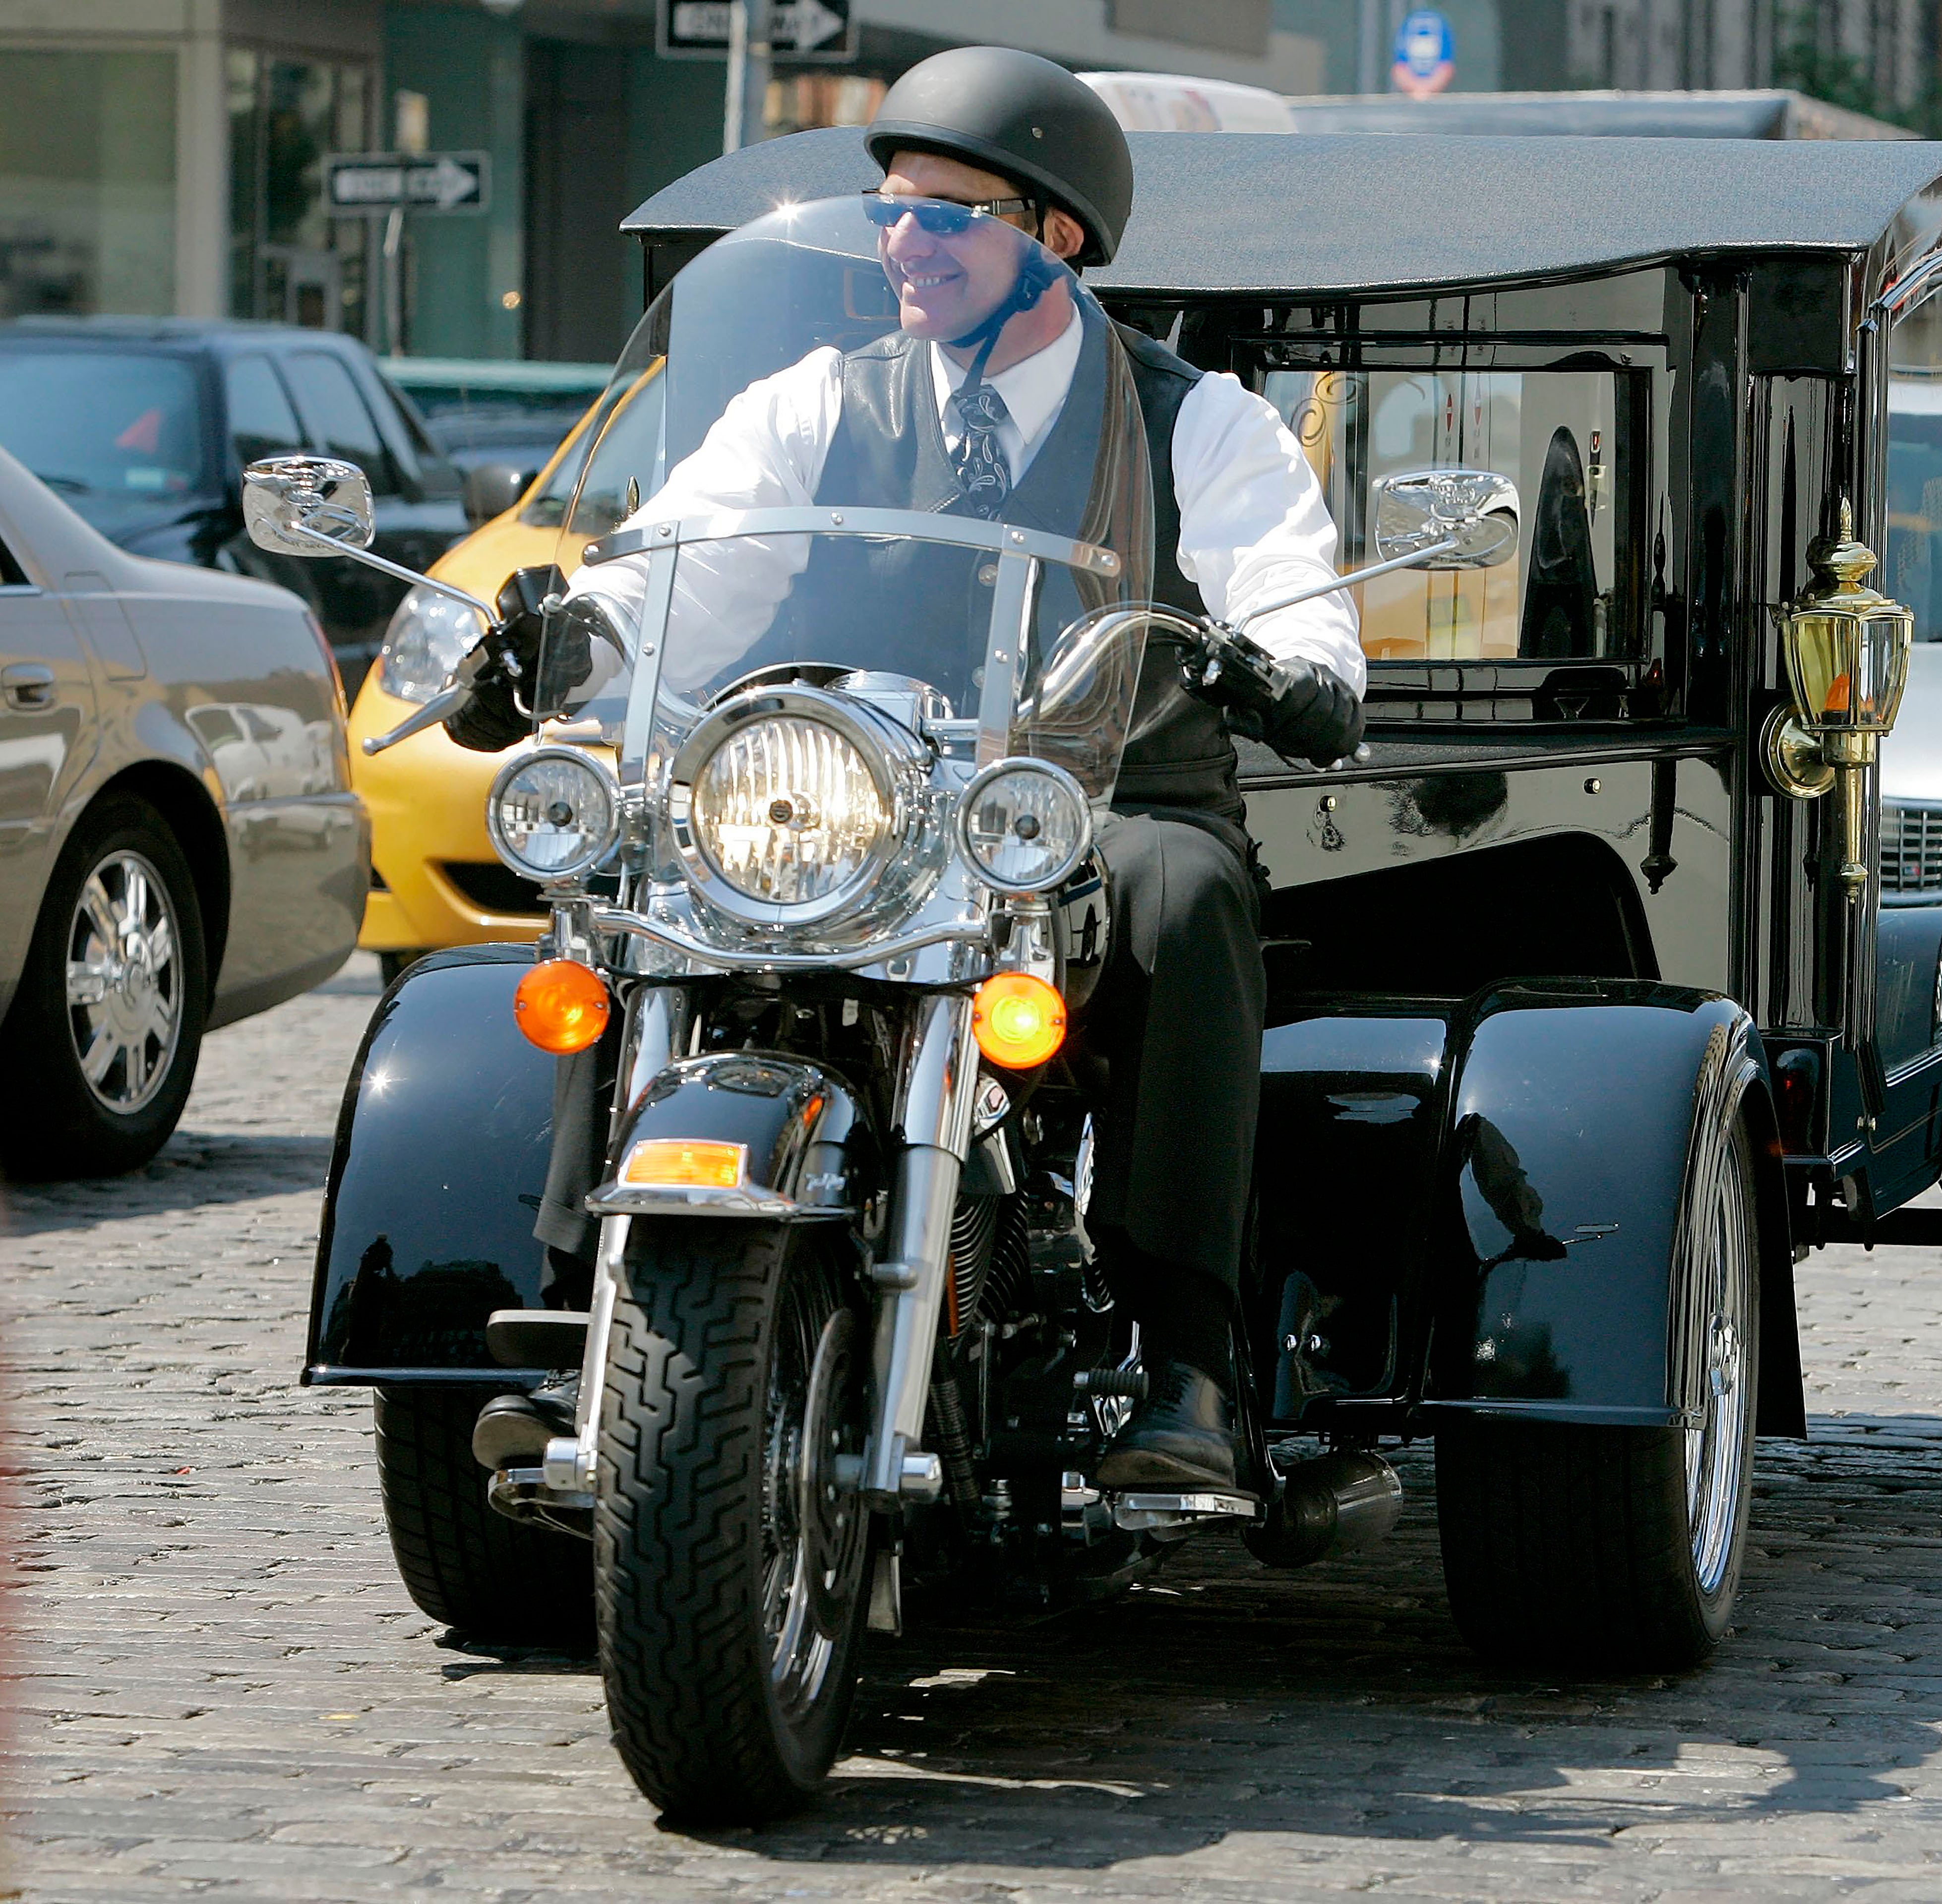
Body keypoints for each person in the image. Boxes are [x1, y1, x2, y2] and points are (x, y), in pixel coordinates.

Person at [448, 47, 1364, 1498]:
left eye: (945, 214)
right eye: (889, 208)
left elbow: (1298, 604)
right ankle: (591, 1316)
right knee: (642, 870)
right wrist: (572, 643)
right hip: (858, 801)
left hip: (1089, 806)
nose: (901, 241)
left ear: (1053, 238)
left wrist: (1283, 660)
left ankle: (1189, 1361)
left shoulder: (1199, 422)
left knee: (1190, 894)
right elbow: (695, 561)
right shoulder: (821, 402)